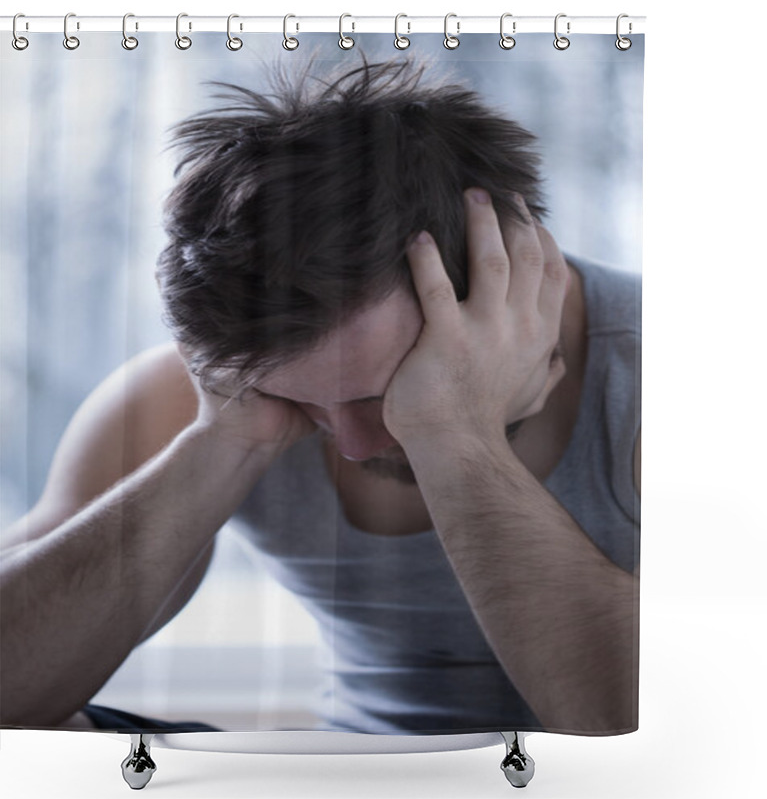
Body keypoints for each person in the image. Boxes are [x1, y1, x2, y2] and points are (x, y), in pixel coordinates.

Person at [0, 60, 640, 736]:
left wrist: (453, 432)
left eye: (383, 391)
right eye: (303, 402)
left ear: (507, 279)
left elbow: (659, 735)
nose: (355, 444)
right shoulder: (205, 395)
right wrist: (227, 441)